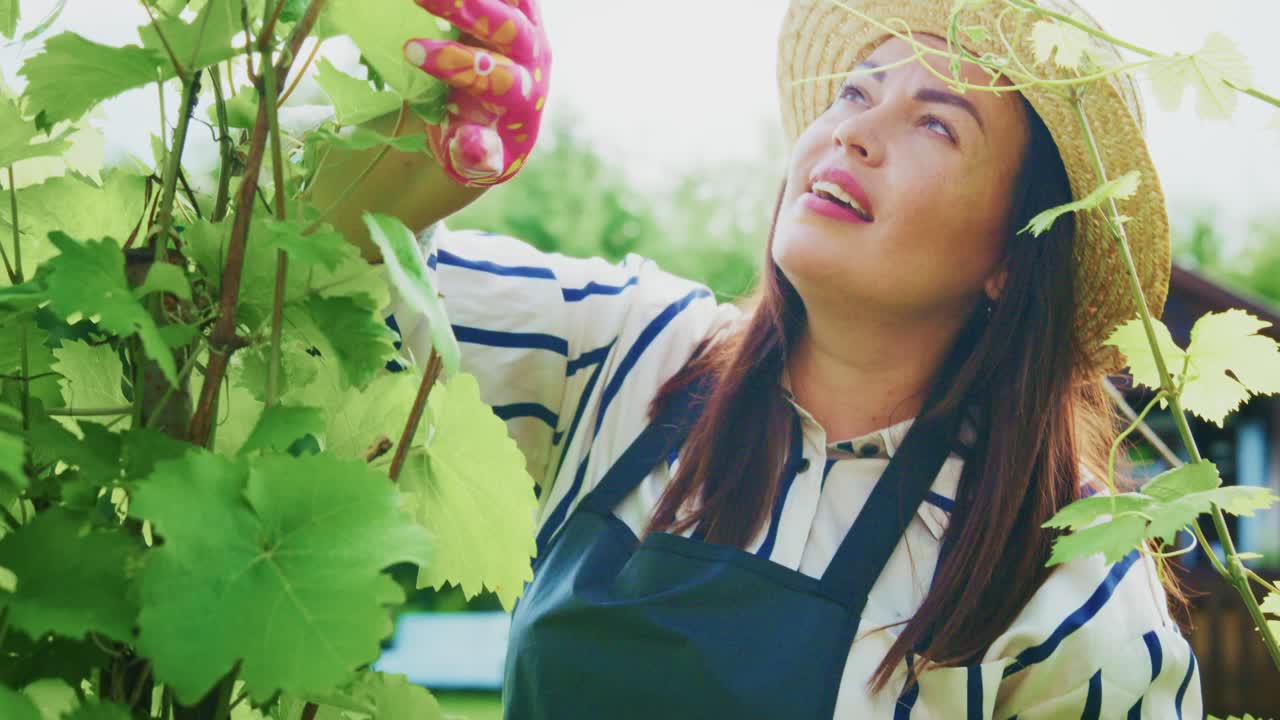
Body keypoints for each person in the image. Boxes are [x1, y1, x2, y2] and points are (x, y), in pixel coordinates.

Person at [316, 0, 1205, 716]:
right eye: (856, 93)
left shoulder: (1073, 581)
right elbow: (319, 292)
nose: (853, 134)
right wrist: (423, 155)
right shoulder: (628, 349)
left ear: (1013, 259)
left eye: (937, 126)